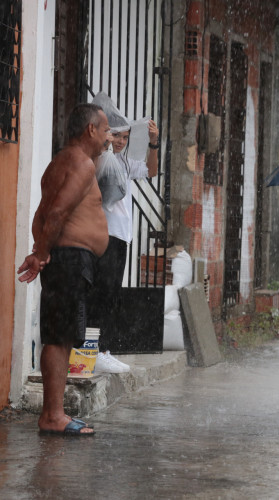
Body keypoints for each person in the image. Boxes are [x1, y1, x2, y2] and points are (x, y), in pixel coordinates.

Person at [17, 103, 112, 436]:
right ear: (90, 130)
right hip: (70, 258)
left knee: (60, 335)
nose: (108, 137)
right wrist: (41, 253)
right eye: (104, 130)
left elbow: (41, 216)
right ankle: (53, 415)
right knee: (59, 339)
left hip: (64, 258)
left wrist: (40, 251)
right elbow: (56, 213)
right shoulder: (82, 164)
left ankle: (53, 414)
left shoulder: (59, 162)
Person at [87, 119, 159, 373]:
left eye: (125, 137)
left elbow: (151, 171)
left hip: (122, 237)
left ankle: (101, 350)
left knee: (111, 295)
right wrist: (104, 146)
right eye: (116, 135)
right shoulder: (98, 158)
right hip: (104, 235)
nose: (120, 141)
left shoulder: (125, 162)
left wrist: (153, 144)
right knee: (101, 295)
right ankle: (93, 350)